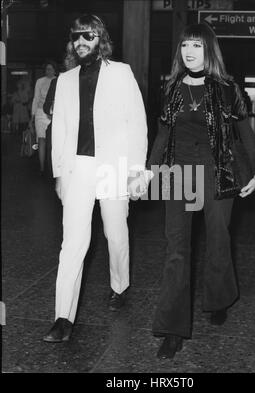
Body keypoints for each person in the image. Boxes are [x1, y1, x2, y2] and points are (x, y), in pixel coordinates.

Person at [144, 23, 255, 359]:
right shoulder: (171, 88)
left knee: (218, 237)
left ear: (209, 50)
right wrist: (149, 171)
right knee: (176, 249)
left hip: (218, 171)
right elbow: (162, 135)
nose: (190, 52)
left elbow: (245, 132)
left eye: (197, 45)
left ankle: (220, 297)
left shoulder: (226, 88)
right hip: (180, 172)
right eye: (185, 46)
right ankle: (171, 329)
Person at [43, 14, 148, 343]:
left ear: (99, 38)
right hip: (78, 168)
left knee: (115, 233)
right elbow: (58, 129)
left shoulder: (121, 73)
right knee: (73, 243)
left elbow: (137, 124)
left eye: (87, 36)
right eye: (76, 37)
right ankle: (63, 317)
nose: (81, 42)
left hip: (113, 165)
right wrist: (59, 174)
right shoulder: (65, 79)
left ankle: (120, 286)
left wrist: (136, 171)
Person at [43, 44, 77, 178]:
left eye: (72, 59)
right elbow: (46, 107)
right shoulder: (56, 82)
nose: (69, 61)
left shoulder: (85, 81)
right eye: (67, 59)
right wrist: (54, 107)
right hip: (60, 126)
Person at [31, 61, 57, 175]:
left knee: (53, 142)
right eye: (47, 69)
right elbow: (36, 98)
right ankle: (42, 167)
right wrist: (32, 117)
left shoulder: (59, 80)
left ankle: (51, 167)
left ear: (55, 70)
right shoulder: (40, 81)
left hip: (54, 114)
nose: (48, 71)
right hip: (40, 113)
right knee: (41, 140)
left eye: (51, 69)